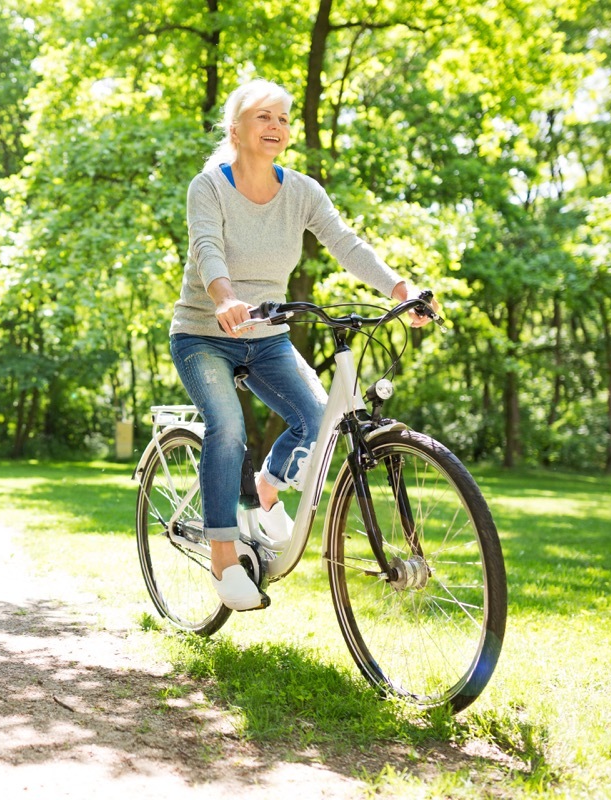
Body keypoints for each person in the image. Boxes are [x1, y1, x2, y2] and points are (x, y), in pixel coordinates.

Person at [170, 78, 439, 611]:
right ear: (236, 130)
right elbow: (206, 248)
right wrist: (224, 298)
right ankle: (225, 559)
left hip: (267, 336)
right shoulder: (209, 186)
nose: (276, 127)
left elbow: (345, 242)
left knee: (319, 418)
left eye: (284, 119)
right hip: (204, 333)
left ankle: (267, 489)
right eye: (263, 117)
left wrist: (399, 288)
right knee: (227, 427)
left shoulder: (302, 192)